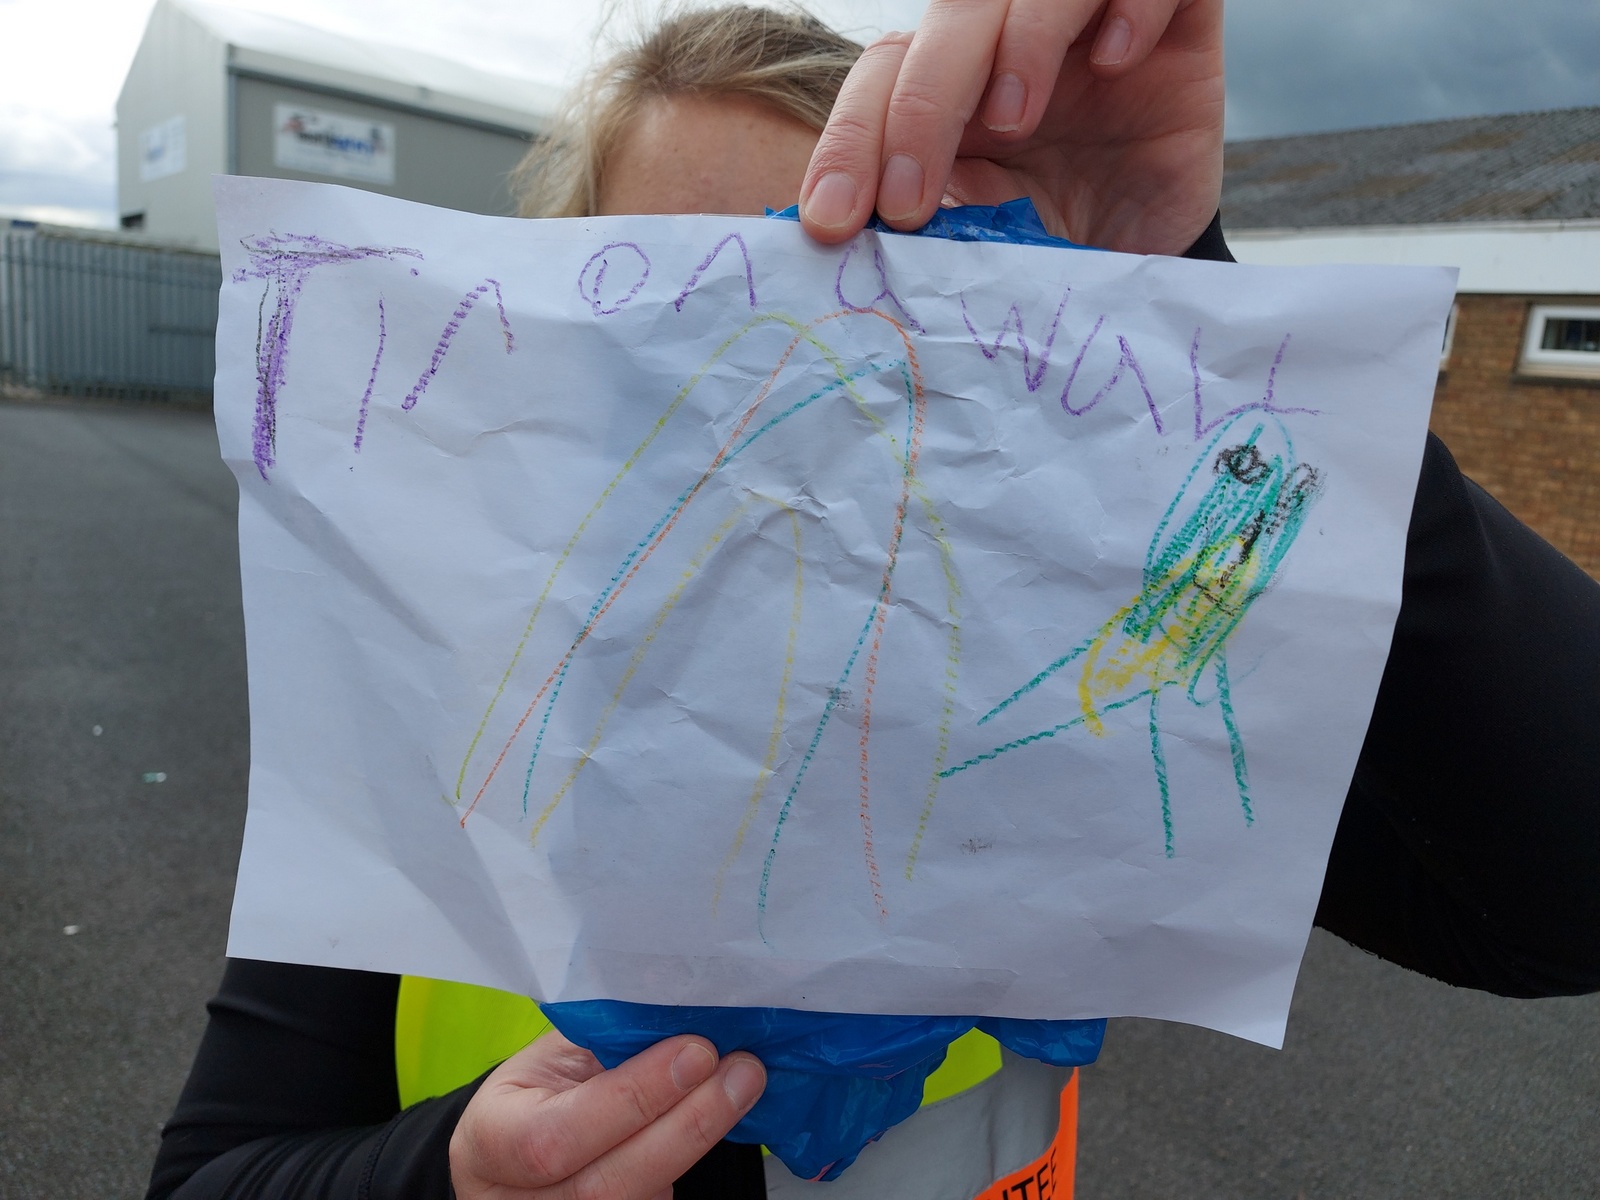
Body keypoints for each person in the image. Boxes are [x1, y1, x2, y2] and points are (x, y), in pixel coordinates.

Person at [148, 3, 1600, 1198]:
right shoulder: (448, 717)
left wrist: (1176, 295)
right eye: (672, 319)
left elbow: (1560, 893)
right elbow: (215, 1171)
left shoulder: (1060, 700)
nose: (763, 396)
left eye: (852, 312)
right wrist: (447, 1176)